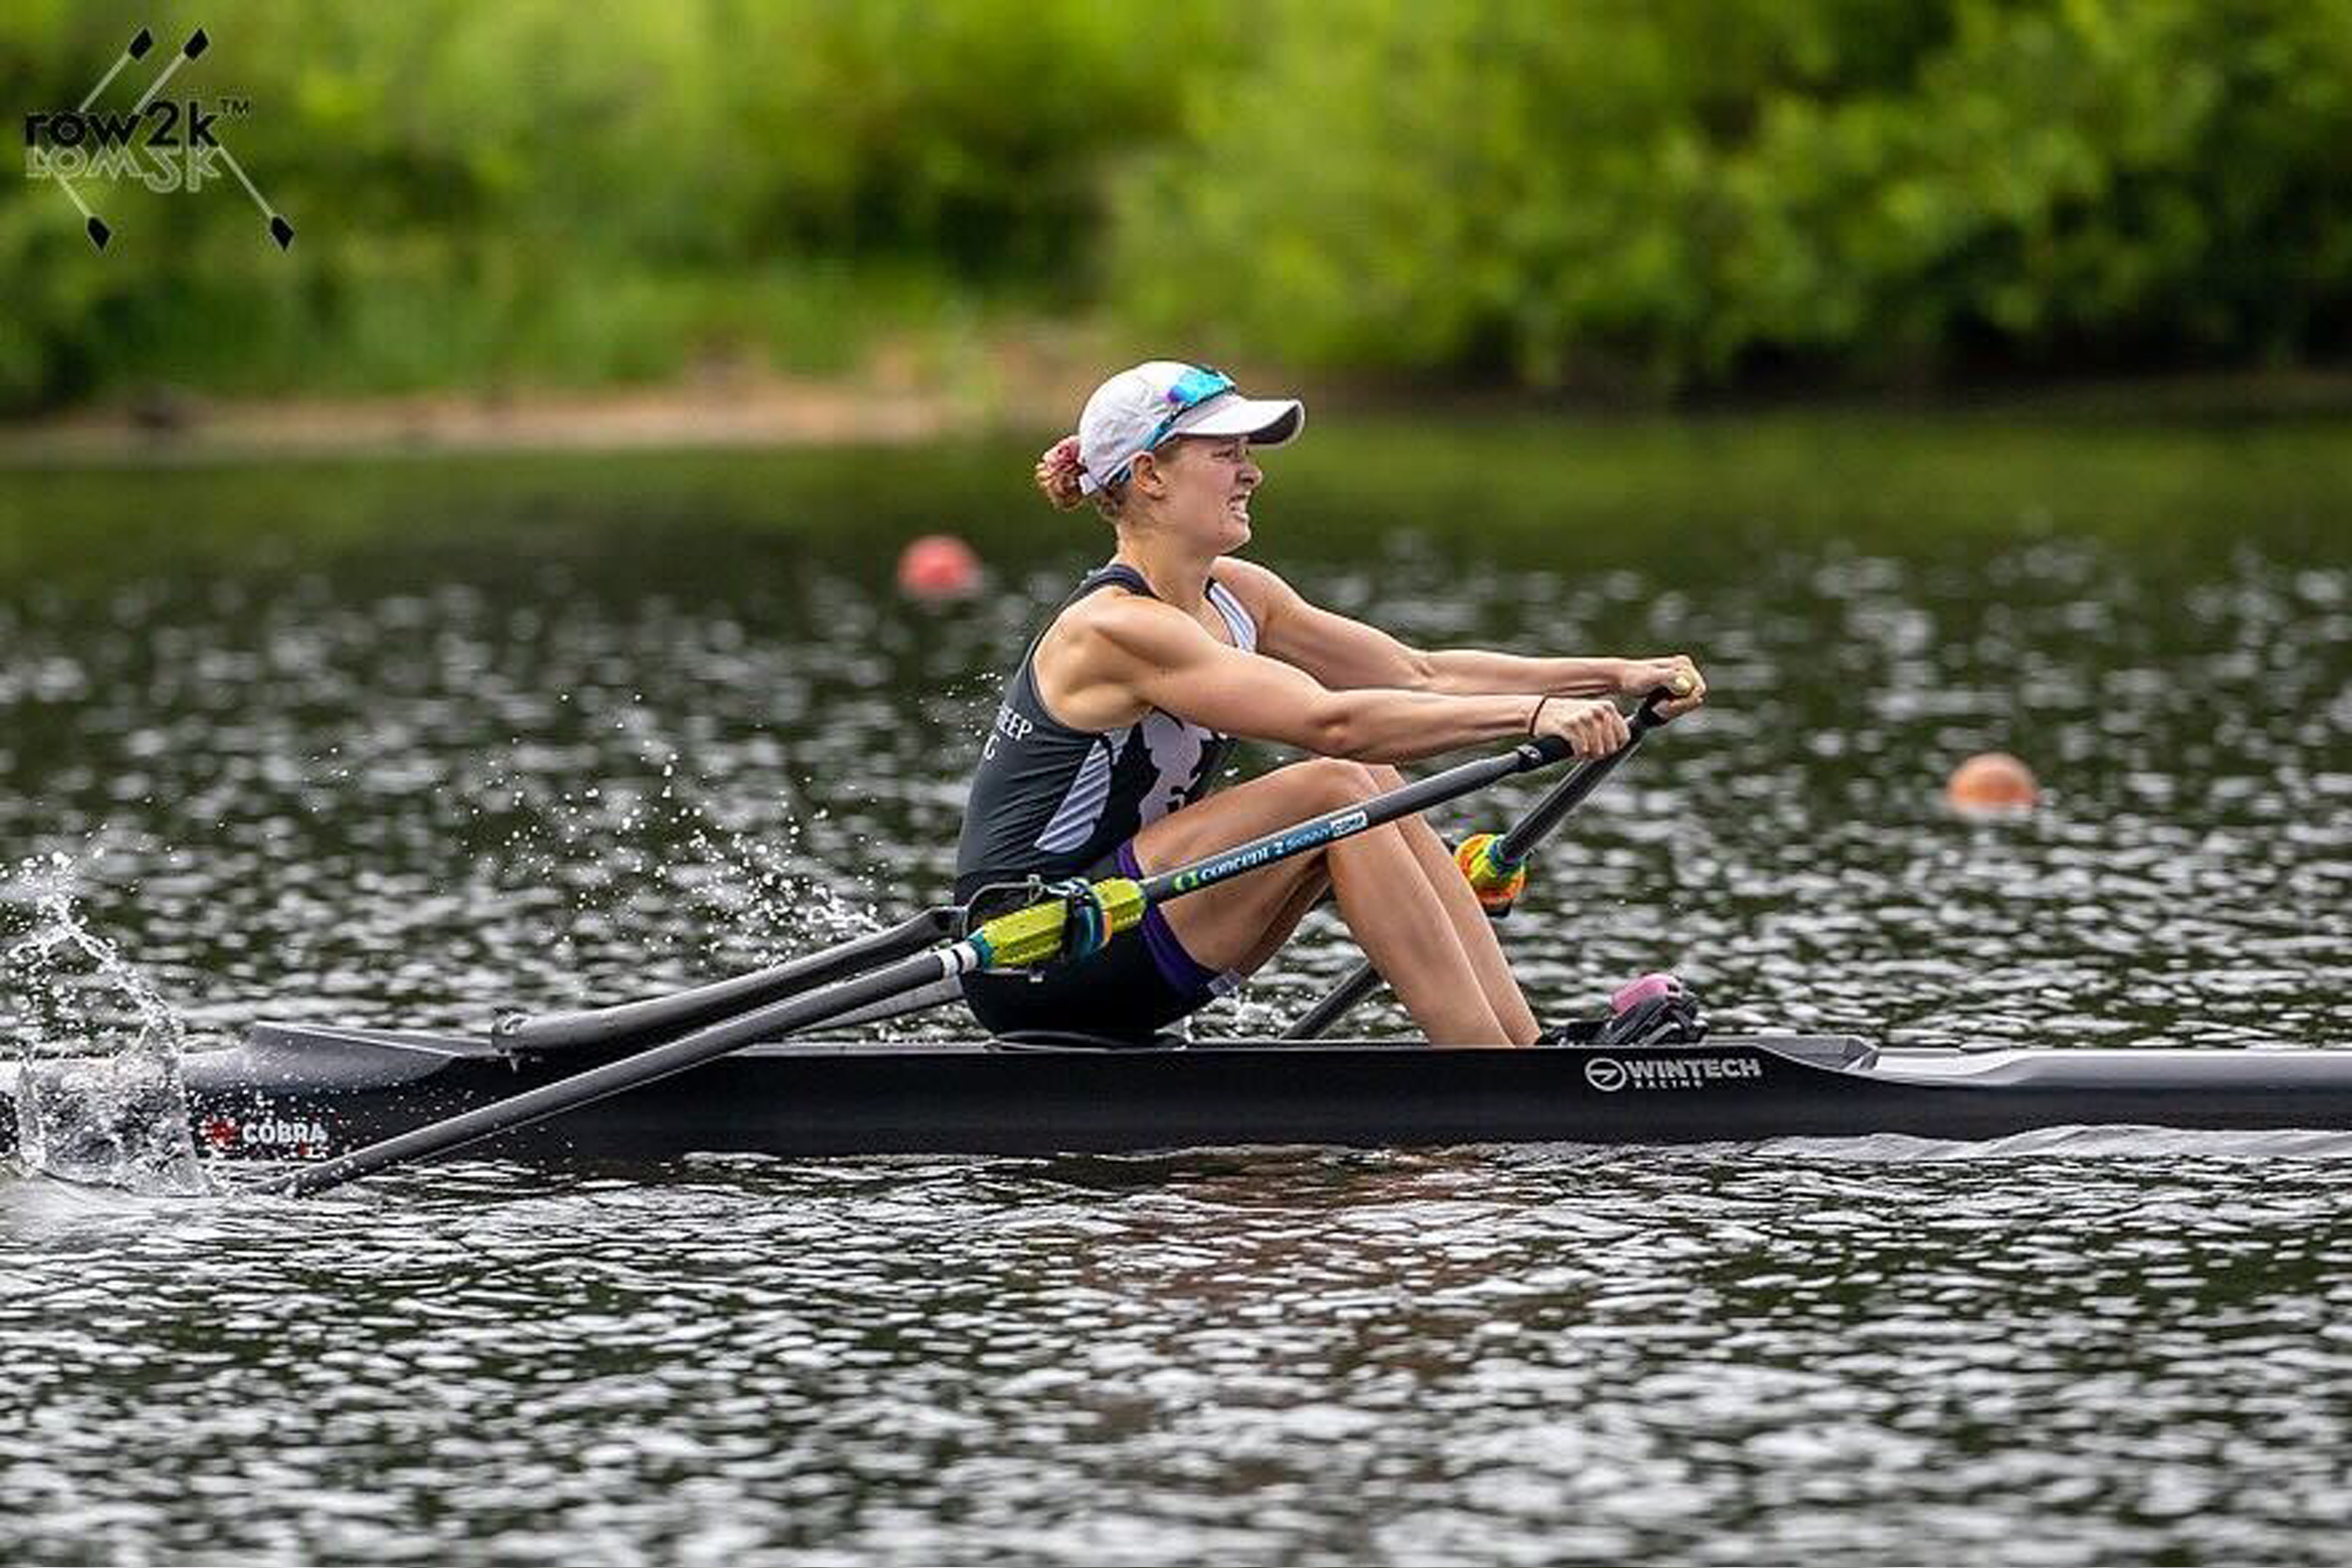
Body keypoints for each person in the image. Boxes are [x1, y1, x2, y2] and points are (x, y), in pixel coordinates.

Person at [953, 361, 1706, 1045]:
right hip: (1037, 951)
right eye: (1227, 455)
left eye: (1248, 455)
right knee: (1337, 781)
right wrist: (1533, 716)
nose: (1252, 474)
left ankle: (1522, 1049)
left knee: (1370, 783)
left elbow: (1417, 673)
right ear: (1149, 475)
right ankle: (1490, 1068)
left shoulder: (1242, 593)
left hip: (1134, 918)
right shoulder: (1116, 627)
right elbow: (1332, 721)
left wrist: (1615, 674)